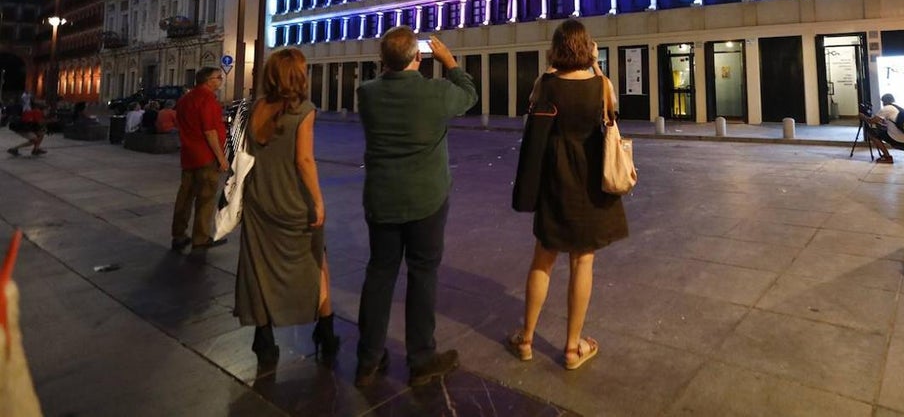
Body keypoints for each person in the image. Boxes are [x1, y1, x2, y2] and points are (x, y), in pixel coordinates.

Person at [355, 27, 477, 388]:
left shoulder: (367, 95)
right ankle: (421, 357)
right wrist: (451, 63)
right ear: (418, 57)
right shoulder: (435, 93)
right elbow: (469, 95)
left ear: (383, 61)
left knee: (379, 274)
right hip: (427, 199)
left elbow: (384, 81)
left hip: (382, 200)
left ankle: (368, 358)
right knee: (423, 275)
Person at [506, 20, 628, 370]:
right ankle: (573, 349)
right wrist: (595, 66)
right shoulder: (601, 85)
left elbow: (532, 113)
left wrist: (551, 69)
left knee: (542, 259)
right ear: (589, 48)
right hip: (589, 183)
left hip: (554, 182)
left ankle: (526, 338)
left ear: (556, 49)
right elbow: (612, 115)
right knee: (582, 261)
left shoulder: (545, 84)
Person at [234, 48, 338, 368]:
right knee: (316, 261)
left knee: (258, 268)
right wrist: (318, 201)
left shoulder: (256, 108)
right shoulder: (304, 110)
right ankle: (326, 331)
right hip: (291, 201)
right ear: (297, 75)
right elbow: (304, 160)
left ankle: (263, 340)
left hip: (259, 200)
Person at [170, 67, 230, 250]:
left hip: (188, 155)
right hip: (205, 156)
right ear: (208, 81)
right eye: (218, 78)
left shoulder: (184, 99)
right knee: (206, 197)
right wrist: (221, 158)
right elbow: (210, 131)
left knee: (185, 196)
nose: (221, 80)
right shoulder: (208, 99)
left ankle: (178, 235)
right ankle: (201, 238)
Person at [866, 93, 904, 164]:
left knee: (871, 132)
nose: (882, 103)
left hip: (898, 138)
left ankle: (887, 157)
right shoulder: (898, 108)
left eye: (882, 102)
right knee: (884, 131)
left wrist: (862, 116)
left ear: (884, 101)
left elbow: (871, 121)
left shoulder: (887, 108)